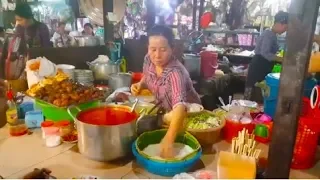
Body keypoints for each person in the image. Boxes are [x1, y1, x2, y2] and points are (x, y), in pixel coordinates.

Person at [131, 25, 201, 158]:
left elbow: (180, 107)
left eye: (163, 49)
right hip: (167, 115)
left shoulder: (175, 73)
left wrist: (169, 139)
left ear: (172, 48)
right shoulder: (148, 59)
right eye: (153, 49)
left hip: (187, 119)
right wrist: (140, 84)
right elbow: (148, 75)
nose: (157, 55)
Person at [244, 11, 289, 103]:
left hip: (262, 67)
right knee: (254, 96)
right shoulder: (268, 34)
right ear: (279, 23)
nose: (285, 30)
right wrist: (283, 59)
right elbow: (265, 53)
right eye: (285, 27)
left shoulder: (272, 34)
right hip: (259, 67)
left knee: (258, 94)